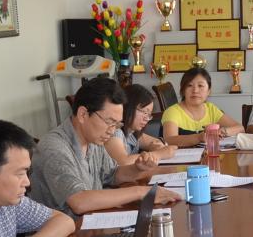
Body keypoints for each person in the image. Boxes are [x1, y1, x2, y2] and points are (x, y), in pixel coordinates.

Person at [31, 78, 181, 216]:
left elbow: (112, 175)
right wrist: (141, 192)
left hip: (91, 222)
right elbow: (79, 201)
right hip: (63, 233)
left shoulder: (94, 139)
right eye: (109, 122)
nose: (112, 130)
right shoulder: (54, 147)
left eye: (117, 124)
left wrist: (136, 169)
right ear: (83, 114)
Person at [161, 67, 244, 147]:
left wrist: (223, 131)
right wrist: (199, 138)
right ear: (183, 90)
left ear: (209, 91)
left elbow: (240, 128)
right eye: (189, 85)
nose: (195, 90)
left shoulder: (211, 109)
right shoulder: (172, 112)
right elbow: (169, 140)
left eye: (200, 86)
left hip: (208, 155)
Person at [106, 84, 177, 165]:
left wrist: (158, 147)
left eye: (149, 114)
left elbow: (154, 142)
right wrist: (158, 154)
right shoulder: (114, 131)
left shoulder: (132, 131)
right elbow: (123, 162)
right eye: (144, 112)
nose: (146, 119)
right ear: (128, 107)